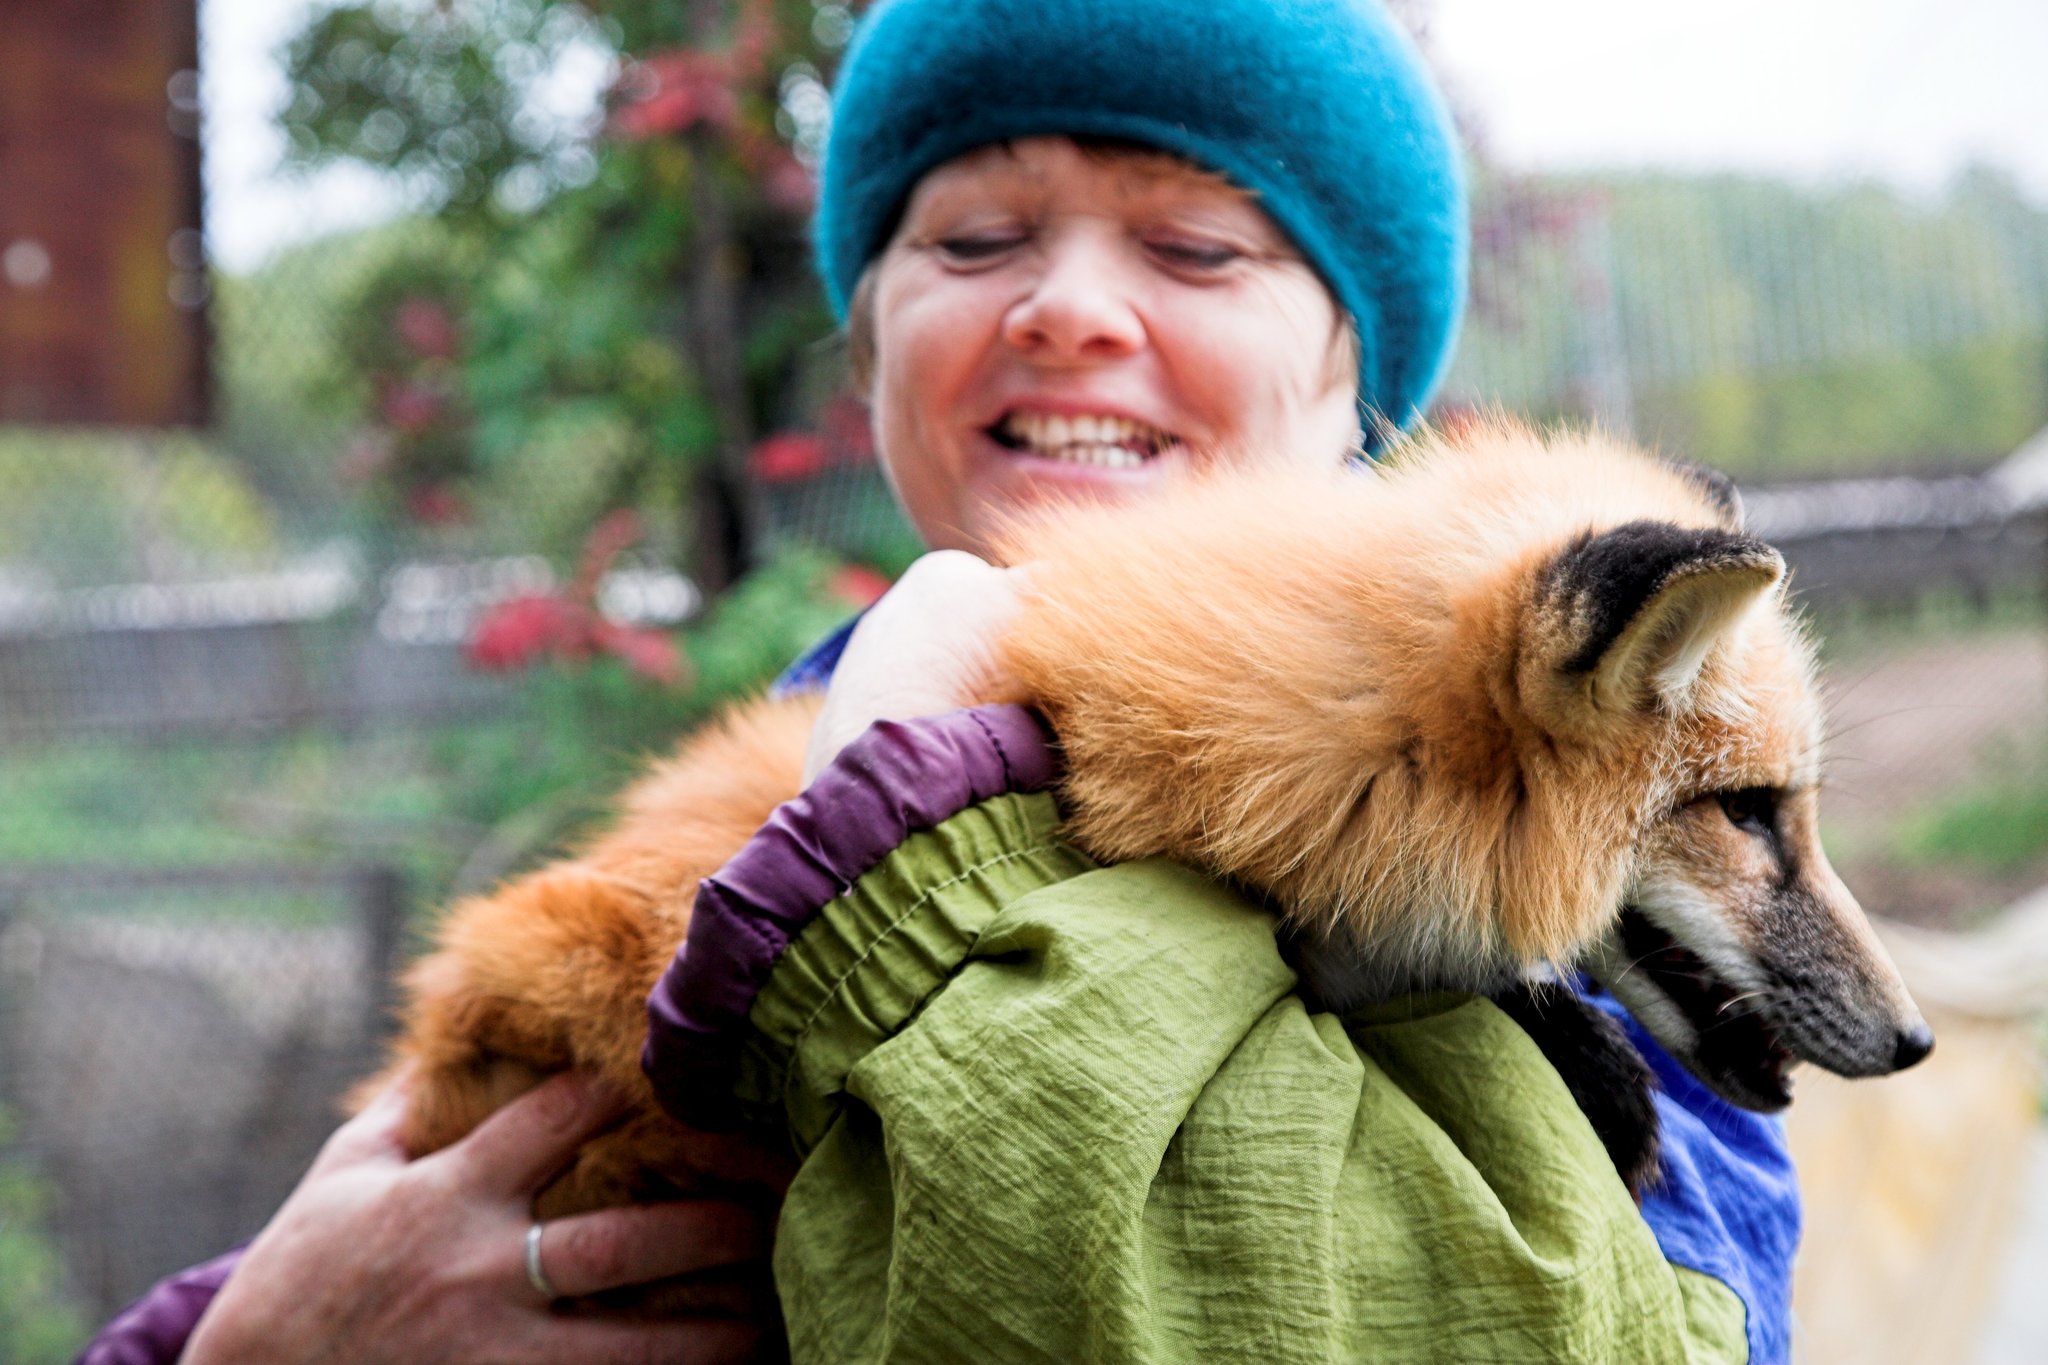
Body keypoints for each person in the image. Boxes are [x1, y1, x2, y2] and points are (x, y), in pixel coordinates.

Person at [80, 0, 1797, 1361]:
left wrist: (917, 853)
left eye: (1197, 249)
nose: (1064, 310)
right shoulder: (797, 734)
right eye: (972, 240)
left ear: (1361, 375)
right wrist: (253, 1344)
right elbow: (389, 1205)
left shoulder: (1593, 836)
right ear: (875, 342)